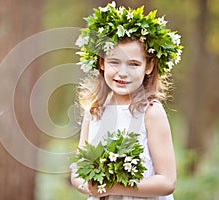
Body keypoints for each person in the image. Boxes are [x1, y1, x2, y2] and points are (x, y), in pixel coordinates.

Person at [70, 2, 183, 200]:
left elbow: (167, 181)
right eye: (114, 62)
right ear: (102, 62)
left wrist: (113, 187)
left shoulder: (150, 111)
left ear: (149, 66)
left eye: (133, 64)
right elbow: (78, 172)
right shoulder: (95, 110)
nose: (123, 73)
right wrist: (91, 186)